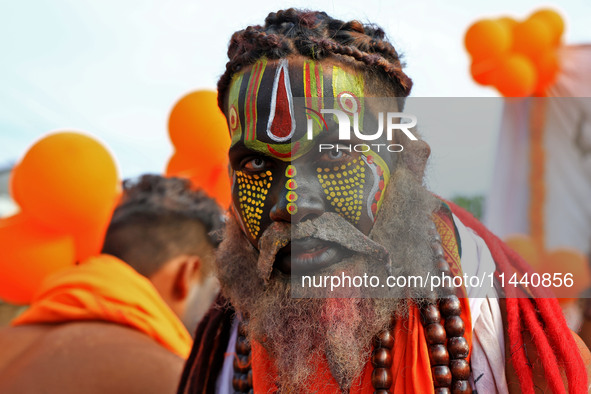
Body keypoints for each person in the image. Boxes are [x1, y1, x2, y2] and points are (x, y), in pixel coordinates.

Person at [178, 9, 591, 394]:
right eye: (254, 162)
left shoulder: (510, 345)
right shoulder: (227, 337)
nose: (291, 203)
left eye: (334, 154)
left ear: (405, 163)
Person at [0, 174, 223, 394]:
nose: (215, 308)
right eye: (214, 291)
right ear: (187, 274)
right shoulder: (173, 379)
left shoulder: (8, 339)